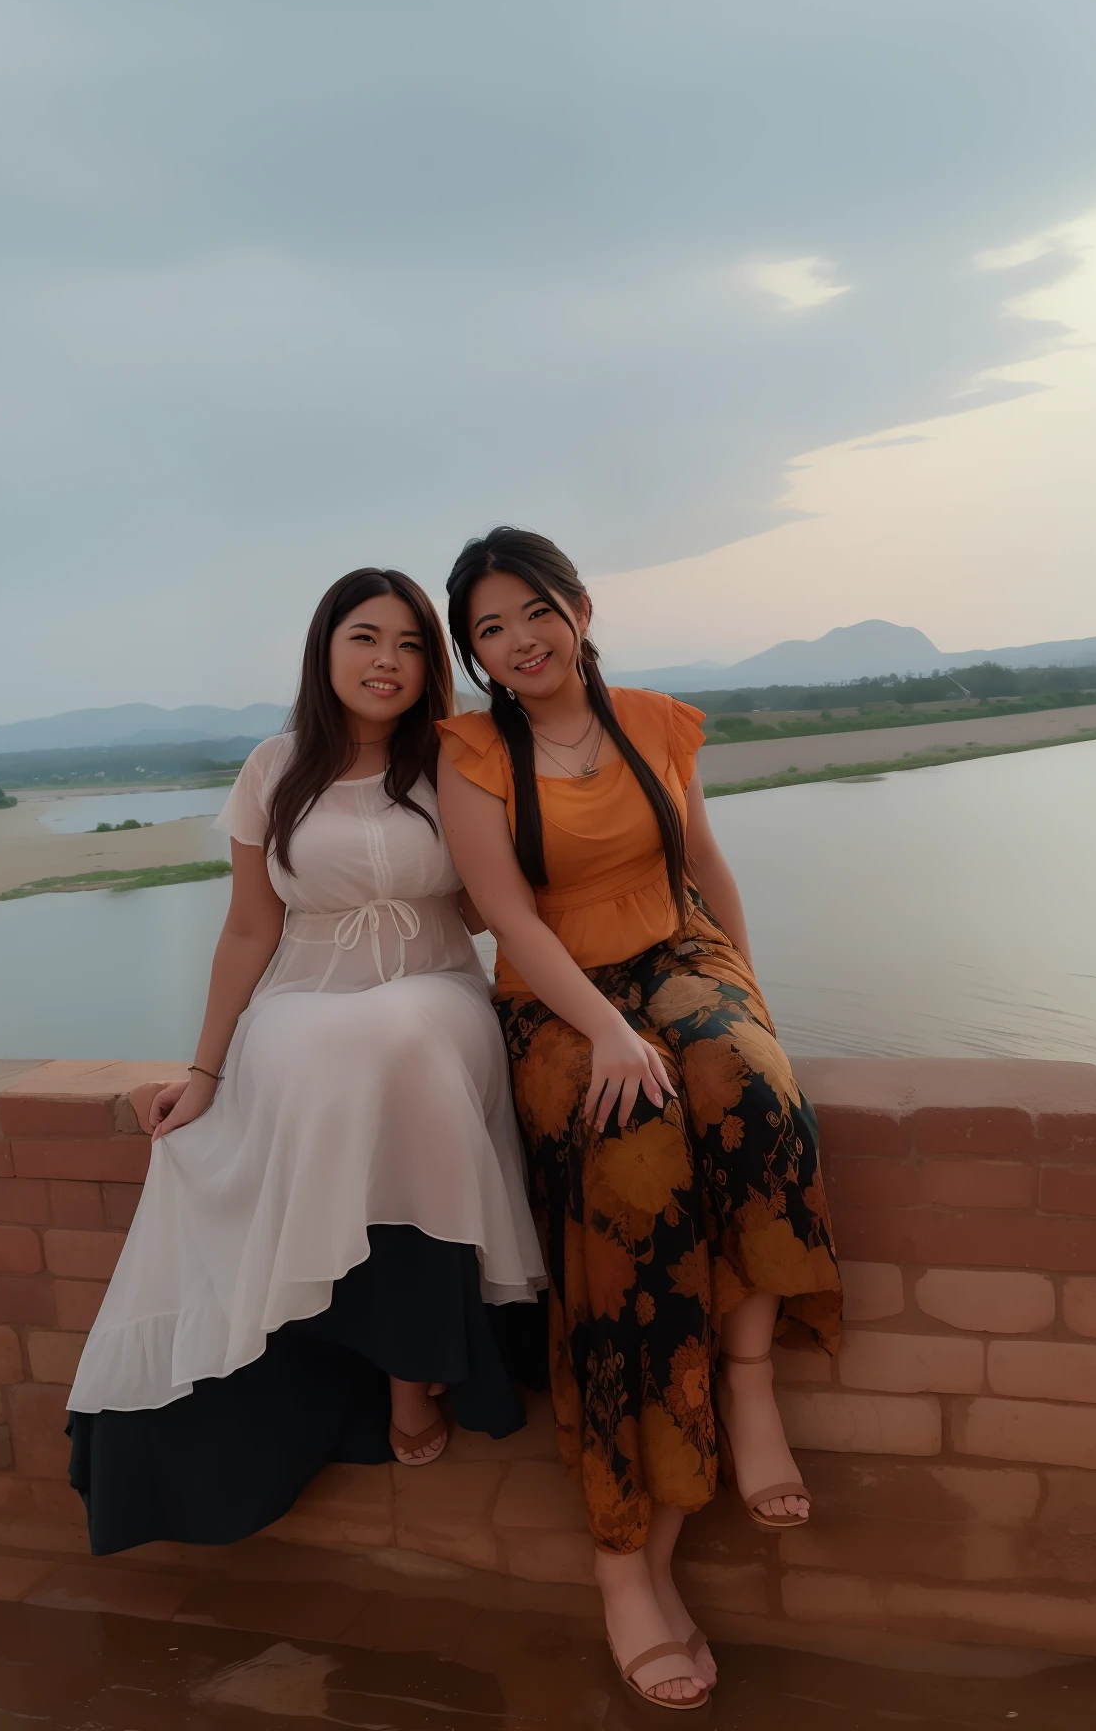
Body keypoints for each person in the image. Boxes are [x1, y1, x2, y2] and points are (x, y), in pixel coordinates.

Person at [437, 528, 842, 1712]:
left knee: (755, 1092)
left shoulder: (661, 720)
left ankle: (749, 1380)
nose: (517, 643)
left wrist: (749, 1001)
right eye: (488, 631)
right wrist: (608, 1031)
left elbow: (704, 859)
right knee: (631, 1160)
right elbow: (507, 912)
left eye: (532, 612)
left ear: (578, 603)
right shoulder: (472, 754)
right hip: (560, 996)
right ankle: (628, 1561)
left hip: (679, 954)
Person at [67, 568, 545, 1554]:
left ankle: (414, 1376)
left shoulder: (457, 758)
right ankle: (340, 1372)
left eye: (412, 643)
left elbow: (503, 905)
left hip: (436, 992)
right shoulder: (273, 767)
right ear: (325, 649)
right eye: (366, 637)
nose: (388, 660)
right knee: (318, 1058)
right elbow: (249, 927)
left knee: (403, 1037)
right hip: (303, 998)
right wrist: (204, 1072)